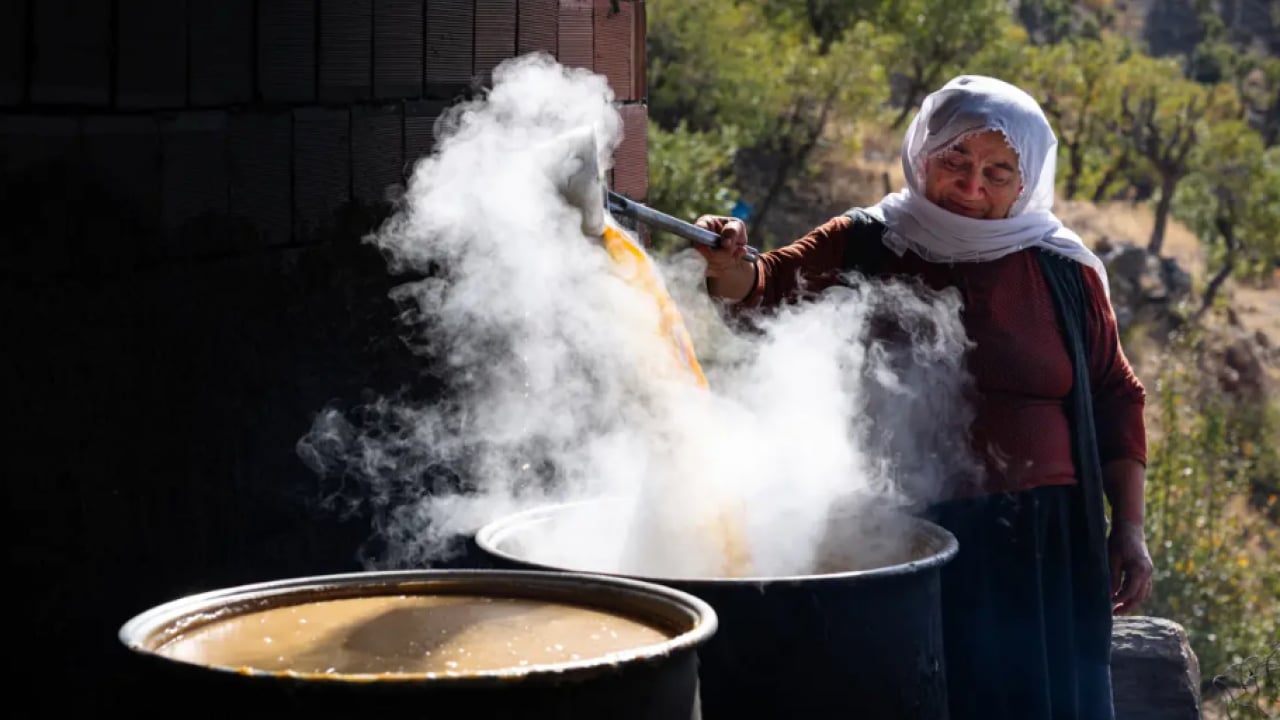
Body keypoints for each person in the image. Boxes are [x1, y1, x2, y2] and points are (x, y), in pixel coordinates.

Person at [694, 74, 1154, 720]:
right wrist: (728, 263)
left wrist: (1128, 529)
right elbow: (763, 290)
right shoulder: (870, 241)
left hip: (1044, 545)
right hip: (910, 536)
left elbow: (1115, 394)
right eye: (956, 160)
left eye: (998, 172)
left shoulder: (1061, 268)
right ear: (922, 151)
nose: (971, 187)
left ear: (1026, 183)